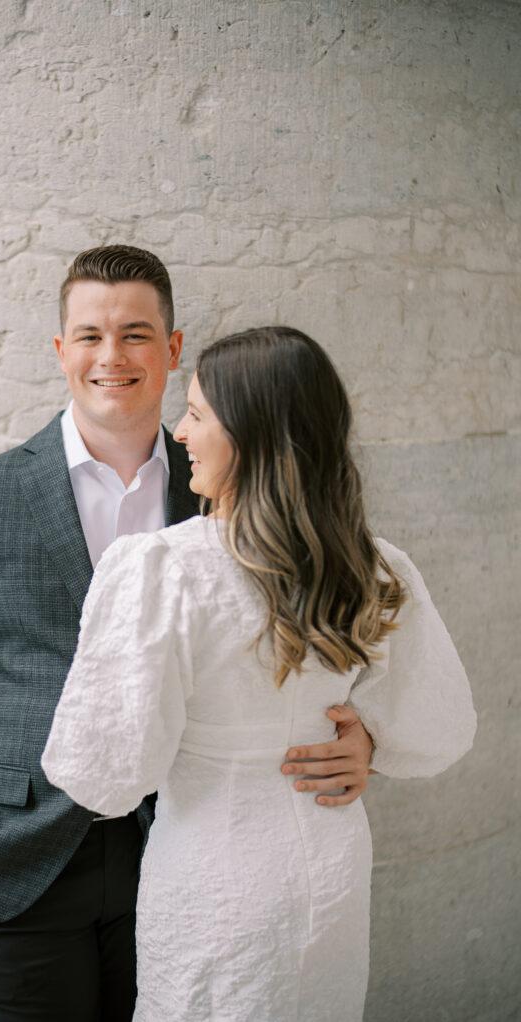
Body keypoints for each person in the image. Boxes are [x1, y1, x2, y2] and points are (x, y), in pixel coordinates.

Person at [0, 250, 375, 1022]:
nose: (110, 356)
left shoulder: (226, 488)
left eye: (136, 334)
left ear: (175, 350)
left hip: (180, 858)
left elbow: (313, 638)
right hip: (15, 859)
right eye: (89, 335)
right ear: (60, 352)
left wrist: (365, 739)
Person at [42, 325, 477, 1022]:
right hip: (329, 866)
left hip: (216, 880)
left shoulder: (161, 569)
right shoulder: (377, 566)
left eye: (198, 415)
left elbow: (105, 775)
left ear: (249, 436)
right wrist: (367, 735)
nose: (179, 432)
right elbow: (440, 729)